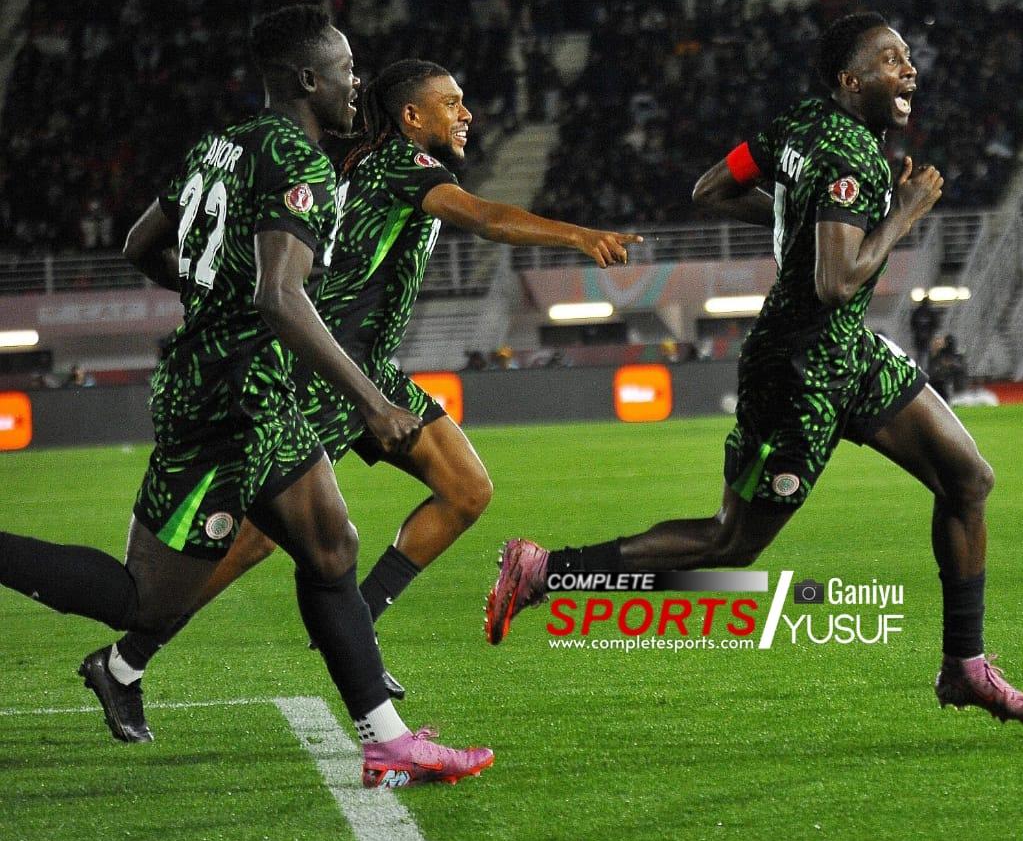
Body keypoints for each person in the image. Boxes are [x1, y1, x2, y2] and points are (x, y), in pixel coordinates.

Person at [486, 12, 1023, 724]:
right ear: (851, 80)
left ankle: (964, 667)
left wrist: (802, 221)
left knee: (968, 479)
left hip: (847, 352)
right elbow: (835, 283)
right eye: (890, 61)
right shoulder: (850, 156)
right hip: (798, 369)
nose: (909, 70)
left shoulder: (797, 124)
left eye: (907, 57)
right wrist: (904, 213)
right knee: (729, 543)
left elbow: (711, 189)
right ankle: (545, 570)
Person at [0, 6, 492, 787]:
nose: (355, 83)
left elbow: (140, 244)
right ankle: (123, 656)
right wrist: (371, 401)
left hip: (235, 381)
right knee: (141, 599)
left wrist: (209, 297)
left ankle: (388, 741)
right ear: (307, 79)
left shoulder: (221, 144)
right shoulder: (299, 162)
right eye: (345, 70)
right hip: (234, 397)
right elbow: (280, 296)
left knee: (331, 547)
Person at [96, 58, 641, 734]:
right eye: (451, 103)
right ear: (412, 116)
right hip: (329, 375)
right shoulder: (404, 166)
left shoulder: (367, 162)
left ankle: (360, 627)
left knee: (466, 489)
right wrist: (579, 235)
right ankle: (125, 661)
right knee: (253, 542)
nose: (466, 114)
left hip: (372, 368)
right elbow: (485, 217)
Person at [909, 294, 939, 365]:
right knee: (925, 353)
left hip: (919, 336)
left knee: (920, 354)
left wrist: (916, 331)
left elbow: (912, 323)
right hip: (926, 336)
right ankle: (925, 366)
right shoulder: (930, 312)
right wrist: (931, 332)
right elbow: (935, 324)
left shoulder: (917, 311)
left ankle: (919, 365)